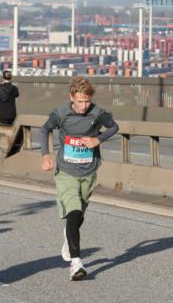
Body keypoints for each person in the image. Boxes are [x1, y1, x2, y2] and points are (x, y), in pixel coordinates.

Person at [38, 77, 118, 281]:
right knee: (73, 211)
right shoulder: (61, 114)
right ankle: (76, 263)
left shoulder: (97, 113)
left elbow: (113, 127)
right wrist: (45, 155)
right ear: (71, 97)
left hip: (89, 172)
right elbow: (45, 129)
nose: (83, 106)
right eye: (79, 101)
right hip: (66, 171)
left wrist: (97, 139)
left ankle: (68, 236)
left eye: (87, 101)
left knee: (79, 215)